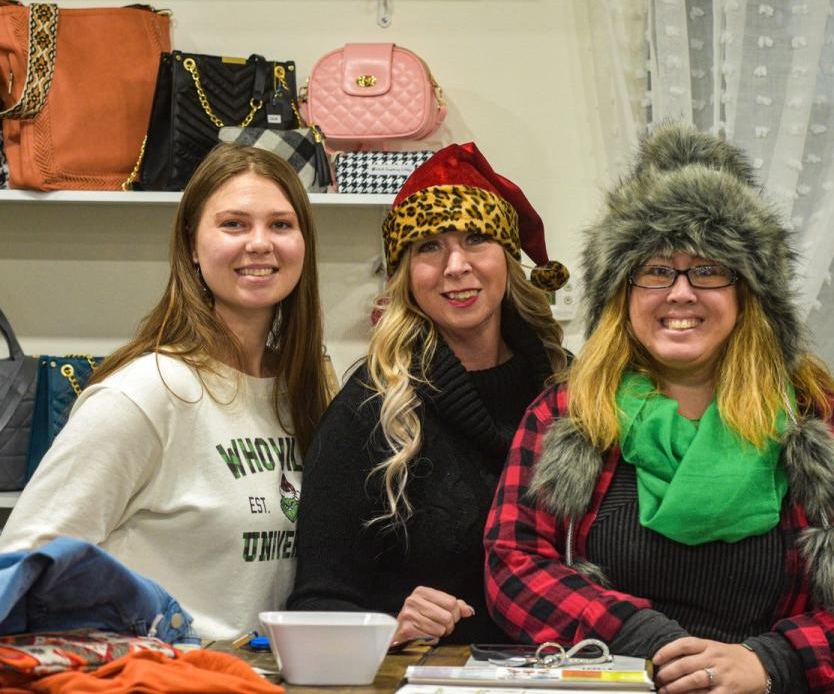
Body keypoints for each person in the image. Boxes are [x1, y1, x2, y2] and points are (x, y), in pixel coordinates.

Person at [484, 124, 834, 693]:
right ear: (622, 291)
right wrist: (642, 639)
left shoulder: (817, 422)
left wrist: (773, 661)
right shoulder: (568, 416)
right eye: (657, 270)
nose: (681, 293)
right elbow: (513, 564)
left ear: (748, 293)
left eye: (710, 269)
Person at [0, 144, 333, 639]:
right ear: (192, 248)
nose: (260, 243)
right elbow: (24, 567)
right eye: (234, 224)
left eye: (281, 225)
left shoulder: (304, 390)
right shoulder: (145, 393)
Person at [288, 143, 570, 646]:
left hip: (574, 670)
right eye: (428, 246)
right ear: (404, 275)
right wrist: (388, 627)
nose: (455, 266)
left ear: (508, 258)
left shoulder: (569, 391)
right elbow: (318, 602)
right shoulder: (372, 406)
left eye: (477, 239)